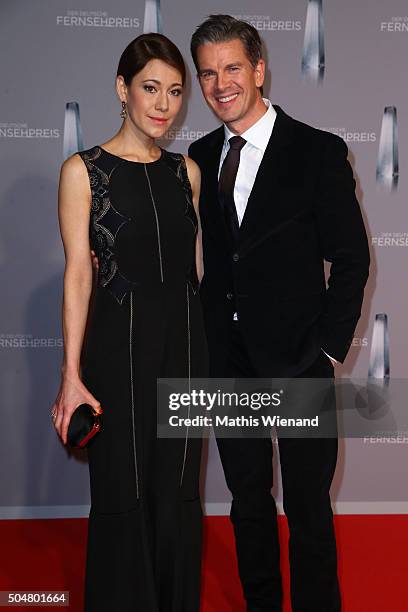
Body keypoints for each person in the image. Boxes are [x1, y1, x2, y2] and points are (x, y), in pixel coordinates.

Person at [188, 15, 370, 612]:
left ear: (259, 69)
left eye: (233, 68)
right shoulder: (199, 155)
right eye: (208, 73)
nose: (221, 85)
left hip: (301, 361)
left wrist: (325, 350)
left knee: (309, 511)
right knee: (247, 503)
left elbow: (351, 260)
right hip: (229, 362)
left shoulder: (317, 151)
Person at [50, 33, 207, 612]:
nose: (163, 104)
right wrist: (71, 375)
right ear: (122, 89)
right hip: (117, 355)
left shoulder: (185, 173)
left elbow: (191, 275)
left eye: (173, 91)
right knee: (124, 492)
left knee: (178, 492)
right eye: (149, 89)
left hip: (186, 354)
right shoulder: (82, 170)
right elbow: (78, 276)